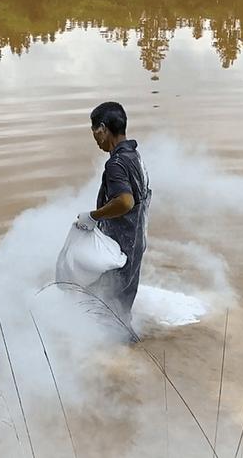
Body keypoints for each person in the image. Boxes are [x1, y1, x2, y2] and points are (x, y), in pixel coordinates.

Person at [76, 102, 151, 327]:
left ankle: (117, 351)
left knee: (108, 309)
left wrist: (94, 216)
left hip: (118, 250)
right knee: (121, 304)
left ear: (102, 128)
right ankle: (124, 344)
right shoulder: (134, 156)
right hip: (135, 244)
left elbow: (126, 201)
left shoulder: (116, 164)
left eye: (95, 134)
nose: (96, 140)